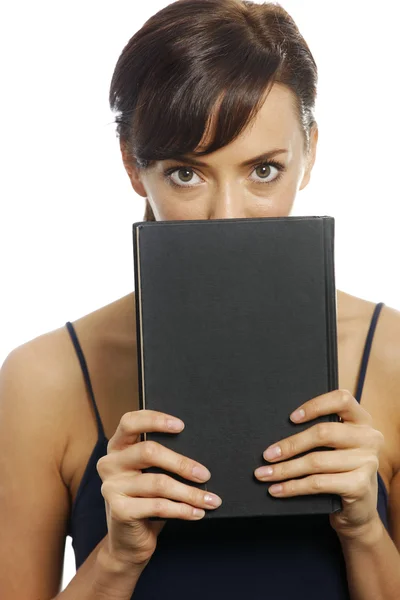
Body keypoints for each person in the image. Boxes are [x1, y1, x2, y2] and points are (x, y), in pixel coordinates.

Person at [1, 0, 400, 598]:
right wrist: (118, 556)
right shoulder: (42, 379)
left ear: (309, 153)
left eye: (263, 170)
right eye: (187, 173)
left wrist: (364, 529)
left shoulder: (392, 355)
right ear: (135, 168)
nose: (227, 214)